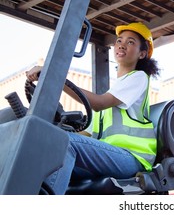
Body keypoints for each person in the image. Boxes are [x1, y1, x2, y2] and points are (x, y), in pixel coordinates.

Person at [25, 22, 160, 195]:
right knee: (48, 154)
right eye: (119, 40)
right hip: (111, 155)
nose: (122, 44)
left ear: (142, 54)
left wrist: (53, 77)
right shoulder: (114, 92)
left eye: (131, 42)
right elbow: (87, 134)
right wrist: (51, 133)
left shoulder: (139, 78)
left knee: (64, 144)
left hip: (132, 157)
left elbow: (98, 103)